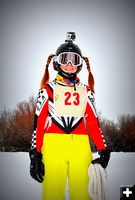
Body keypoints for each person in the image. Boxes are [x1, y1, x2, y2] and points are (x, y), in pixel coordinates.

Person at [29, 32, 110, 200]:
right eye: (65, 59)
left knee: (82, 193)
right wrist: (35, 154)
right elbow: (39, 122)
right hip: (53, 146)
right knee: (52, 192)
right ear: (57, 63)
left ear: (80, 64)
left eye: (75, 60)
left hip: (80, 147)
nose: (70, 64)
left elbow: (93, 123)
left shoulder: (85, 90)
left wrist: (103, 149)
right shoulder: (48, 89)